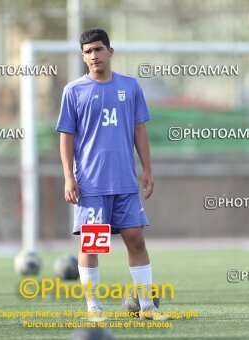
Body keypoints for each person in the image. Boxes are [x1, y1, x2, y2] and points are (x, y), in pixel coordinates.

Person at [56, 28, 172, 321]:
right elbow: (66, 137)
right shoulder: (74, 91)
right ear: (83, 57)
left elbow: (139, 129)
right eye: (87, 52)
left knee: (136, 239)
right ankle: (94, 307)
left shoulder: (130, 87)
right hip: (91, 184)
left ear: (110, 51)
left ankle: (147, 307)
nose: (93, 56)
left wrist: (147, 168)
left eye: (98, 49)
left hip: (124, 181)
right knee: (92, 243)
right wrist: (69, 177)